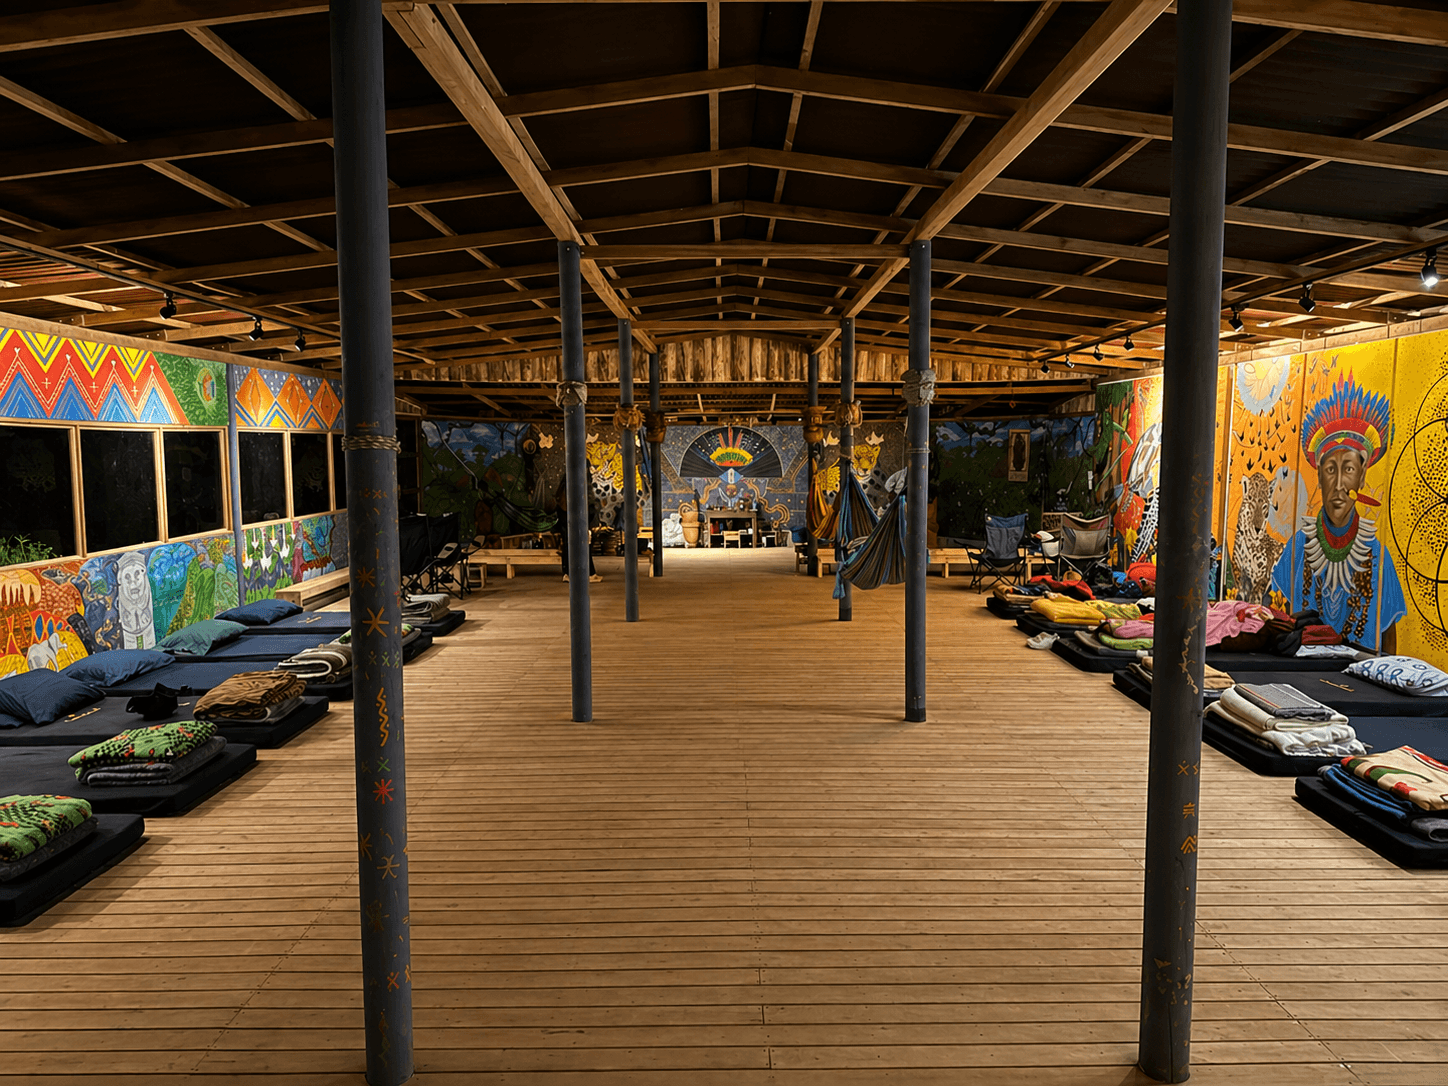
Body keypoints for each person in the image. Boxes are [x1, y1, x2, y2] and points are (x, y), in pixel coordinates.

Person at [1268, 372, 1404, 650]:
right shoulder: (1299, 546)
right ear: (1319, 476)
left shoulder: (1377, 555)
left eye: (1349, 469)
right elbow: (1274, 617)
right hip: (1299, 675)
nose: (1340, 484)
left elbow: (1389, 638)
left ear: (1362, 478)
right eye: (1331, 470)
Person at [555, 482, 600, 583]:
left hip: (564, 513)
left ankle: (568, 574)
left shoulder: (565, 482)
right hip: (575, 514)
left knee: (568, 543)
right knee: (584, 543)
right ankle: (589, 574)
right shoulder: (579, 479)